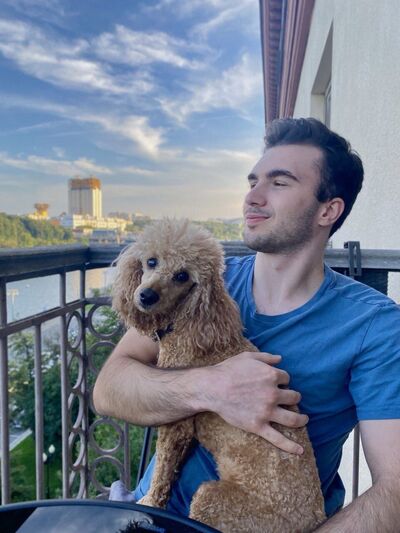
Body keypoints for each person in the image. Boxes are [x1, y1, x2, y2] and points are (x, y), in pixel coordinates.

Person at [93, 117, 400, 532]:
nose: (252, 197)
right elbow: (109, 390)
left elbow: (395, 490)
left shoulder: (375, 325)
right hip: (148, 515)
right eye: (253, 181)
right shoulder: (203, 282)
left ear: (328, 210)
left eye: (279, 182)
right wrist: (211, 387)